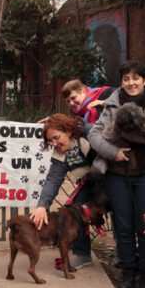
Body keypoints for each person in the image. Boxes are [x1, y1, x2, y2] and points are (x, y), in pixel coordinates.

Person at [88, 60, 145, 288]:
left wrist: (127, 132)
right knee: (122, 225)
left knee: (144, 226)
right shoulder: (113, 103)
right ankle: (128, 272)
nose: (131, 82)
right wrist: (114, 152)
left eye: (136, 78)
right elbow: (94, 134)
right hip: (117, 174)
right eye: (126, 78)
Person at [30, 114, 99, 269]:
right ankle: (82, 254)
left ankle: (125, 258)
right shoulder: (60, 153)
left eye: (56, 137)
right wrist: (42, 205)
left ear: (67, 131)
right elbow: (53, 180)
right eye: (50, 141)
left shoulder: (88, 136)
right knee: (76, 209)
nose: (54, 144)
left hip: (111, 179)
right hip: (89, 183)